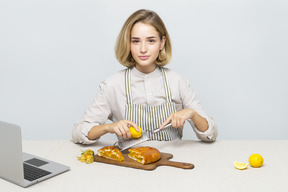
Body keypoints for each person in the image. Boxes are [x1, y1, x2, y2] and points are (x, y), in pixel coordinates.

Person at [72, 9, 217, 144]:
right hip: (131, 165)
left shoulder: (178, 82)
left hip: (172, 163)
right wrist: (108, 127)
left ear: (162, 43)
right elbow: (78, 132)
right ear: (128, 44)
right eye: (136, 41)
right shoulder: (113, 85)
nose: (143, 49)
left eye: (151, 41)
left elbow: (211, 134)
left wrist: (192, 114)